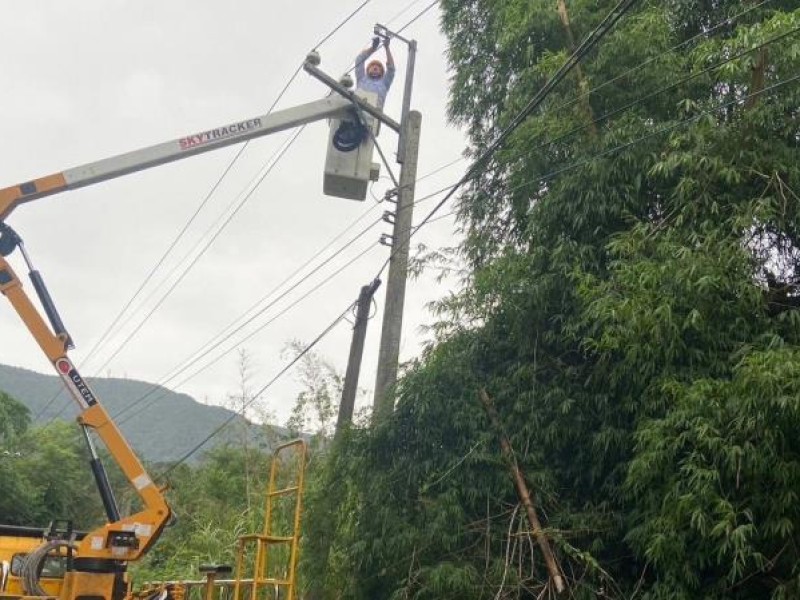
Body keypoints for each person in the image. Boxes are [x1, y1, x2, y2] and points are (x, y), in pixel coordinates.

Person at [354, 36, 395, 109]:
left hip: (373, 115)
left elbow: (391, 69)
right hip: (356, 108)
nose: (375, 67)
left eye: (379, 67)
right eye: (372, 65)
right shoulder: (361, 77)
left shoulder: (384, 83)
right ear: (368, 70)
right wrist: (373, 48)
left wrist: (387, 48)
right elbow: (359, 60)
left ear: (382, 72)